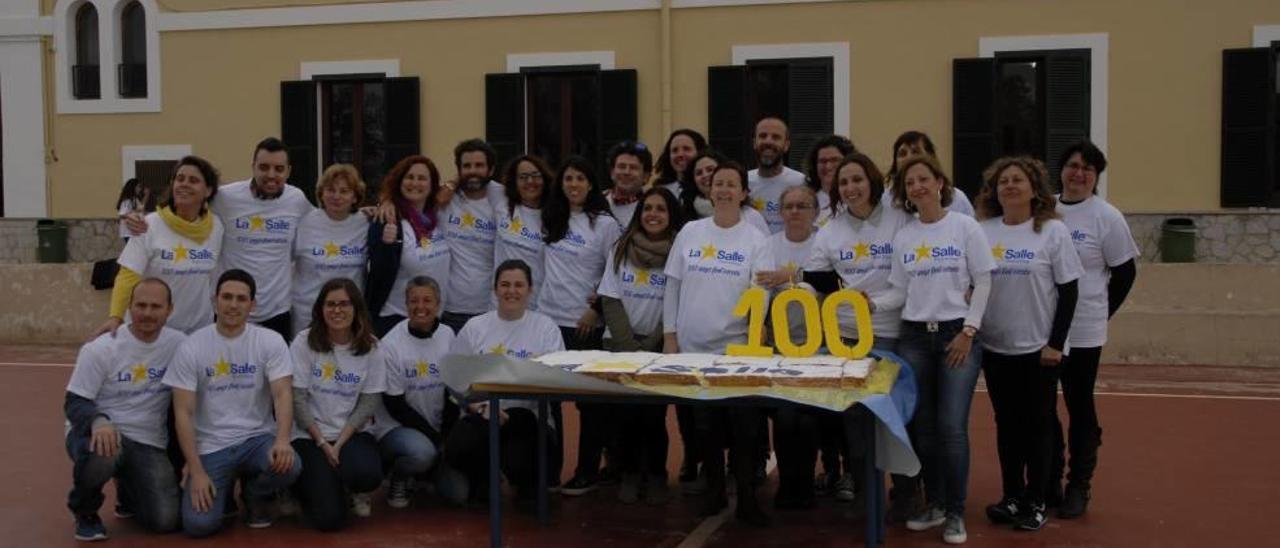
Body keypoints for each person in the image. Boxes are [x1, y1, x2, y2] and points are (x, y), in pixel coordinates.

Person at [880, 155, 996, 545]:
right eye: (909, 183)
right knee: (924, 430)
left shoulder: (964, 227)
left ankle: (957, 513)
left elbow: (983, 281)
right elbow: (898, 291)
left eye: (923, 179)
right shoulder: (905, 236)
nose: (917, 187)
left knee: (951, 428)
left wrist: (969, 330)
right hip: (913, 337)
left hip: (955, 336)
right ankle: (938, 504)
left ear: (940, 182)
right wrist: (868, 303)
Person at [975, 156, 1083, 532]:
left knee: (1037, 426)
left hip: (1039, 351)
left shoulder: (1053, 232)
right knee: (1006, 425)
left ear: (1034, 189)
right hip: (996, 348)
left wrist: (1056, 343)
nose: (1009, 186)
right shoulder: (984, 231)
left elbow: (1069, 292)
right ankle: (1011, 495)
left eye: (1018, 180)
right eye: (1003, 181)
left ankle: (1036, 500)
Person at [664, 161, 770, 526]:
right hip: (693, 349)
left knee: (744, 428)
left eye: (732, 184)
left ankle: (746, 497)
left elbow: (761, 297)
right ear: (710, 191)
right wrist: (670, 336)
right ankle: (713, 491)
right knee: (704, 427)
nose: (724, 190)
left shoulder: (757, 241)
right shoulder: (690, 232)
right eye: (718, 184)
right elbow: (672, 286)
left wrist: (754, 344)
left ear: (743, 193)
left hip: (736, 350)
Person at [802, 153, 909, 506]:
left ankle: (908, 493)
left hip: (892, 333)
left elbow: (910, 280)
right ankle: (866, 497)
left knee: (895, 419)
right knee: (854, 420)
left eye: (857, 179)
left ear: (872, 180)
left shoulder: (900, 220)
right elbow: (817, 282)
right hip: (845, 337)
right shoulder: (829, 230)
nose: (851, 188)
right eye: (844, 182)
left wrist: (874, 304)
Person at [162, 269, 301, 537]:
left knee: (291, 465)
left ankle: (254, 493)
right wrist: (196, 468)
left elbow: (282, 394)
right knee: (199, 526)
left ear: (252, 304)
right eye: (227, 297)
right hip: (211, 446)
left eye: (241, 298)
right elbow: (183, 412)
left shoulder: (269, 341)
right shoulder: (192, 346)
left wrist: (282, 440)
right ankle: (221, 489)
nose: (233, 305)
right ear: (215, 301)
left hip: (257, 439)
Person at [1049, 141, 1138, 518]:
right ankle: (1048, 477)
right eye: (1072, 165)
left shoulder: (1107, 217)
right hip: (1043, 328)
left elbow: (1125, 273)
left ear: (1096, 176)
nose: (1078, 173)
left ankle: (1079, 484)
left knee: (1079, 405)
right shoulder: (1045, 209)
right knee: (1041, 407)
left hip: (1083, 331)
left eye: (1087, 168)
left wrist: (1101, 313)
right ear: (1061, 170)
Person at [65, 279, 184, 540]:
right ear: (129, 307)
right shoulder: (101, 348)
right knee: (105, 452)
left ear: (169, 310)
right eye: (140, 305)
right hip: (101, 434)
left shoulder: (179, 344)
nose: (147, 313)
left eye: (156, 306)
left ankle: (129, 490)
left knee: (166, 520)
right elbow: (74, 402)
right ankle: (85, 510)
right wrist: (98, 421)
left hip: (148, 441)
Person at [443, 260, 565, 503]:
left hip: (527, 418)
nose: (511, 291)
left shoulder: (545, 328)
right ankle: (485, 476)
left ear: (530, 289)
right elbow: (454, 379)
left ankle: (524, 479)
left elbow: (557, 377)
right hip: (482, 414)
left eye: (519, 285)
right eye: (505, 285)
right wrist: (477, 407)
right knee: (459, 447)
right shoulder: (475, 327)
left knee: (524, 461)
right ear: (495, 289)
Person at [538, 156, 622, 497]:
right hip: (548, 321)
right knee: (549, 402)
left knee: (590, 404)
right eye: (568, 178)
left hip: (584, 325)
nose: (573, 185)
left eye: (580, 179)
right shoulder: (551, 218)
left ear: (591, 185)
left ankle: (586, 470)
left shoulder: (604, 225)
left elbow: (615, 273)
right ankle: (550, 472)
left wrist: (597, 309)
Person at [598, 187, 685, 504]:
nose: (653, 214)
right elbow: (610, 298)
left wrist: (650, 345)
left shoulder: (680, 251)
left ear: (670, 215)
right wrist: (628, 347)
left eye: (661, 209)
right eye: (647, 208)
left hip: (658, 349)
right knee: (624, 416)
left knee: (652, 416)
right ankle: (629, 473)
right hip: (620, 348)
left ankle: (657, 474)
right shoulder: (620, 248)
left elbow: (677, 303)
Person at [289, 278, 386, 529]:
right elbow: (297, 398)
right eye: (330, 304)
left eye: (344, 304)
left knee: (367, 474)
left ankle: (344, 484)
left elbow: (368, 402)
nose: (337, 310)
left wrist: (339, 443)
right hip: (310, 436)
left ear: (356, 309)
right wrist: (322, 442)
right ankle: (307, 488)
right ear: (320, 309)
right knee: (329, 521)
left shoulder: (372, 347)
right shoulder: (304, 341)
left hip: (350, 434)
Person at [96, 156, 223, 336]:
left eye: (193, 180)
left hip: (197, 333)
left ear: (208, 191)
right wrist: (115, 316)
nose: (184, 184)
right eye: (180, 179)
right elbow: (128, 275)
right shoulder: (149, 225)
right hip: (153, 333)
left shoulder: (217, 227)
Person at [371, 276, 468, 508]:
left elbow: (452, 391)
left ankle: (426, 474)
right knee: (422, 453)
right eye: (414, 301)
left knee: (459, 495)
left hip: (435, 430)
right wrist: (435, 440)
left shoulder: (447, 335)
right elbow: (396, 406)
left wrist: (446, 435)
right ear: (406, 305)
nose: (420, 307)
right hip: (398, 428)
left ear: (438, 304)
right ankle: (399, 475)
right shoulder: (391, 345)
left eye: (427, 300)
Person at [754, 185, 822, 510]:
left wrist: (790, 277)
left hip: (821, 347)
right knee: (784, 417)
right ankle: (787, 483)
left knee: (807, 418)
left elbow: (830, 284)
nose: (795, 212)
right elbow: (760, 288)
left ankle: (805, 482)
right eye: (789, 206)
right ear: (780, 212)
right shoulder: (768, 246)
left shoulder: (824, 243)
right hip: (778, 349)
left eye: (802, 206)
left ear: (815, 211)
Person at [212, 138, 314, 340]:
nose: (271, 175)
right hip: (231, 310)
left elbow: (324, 222)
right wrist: (141, 219)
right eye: (264, 167)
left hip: (277, 312)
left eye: (279, 169)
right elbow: (187, 211)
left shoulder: (297, 200)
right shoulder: (225, 198)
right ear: (253, 167)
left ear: (288, 171)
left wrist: (362, 215)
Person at [365, 155, 451, 337]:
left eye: (422, 178)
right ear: (399, 181)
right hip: (395, 321)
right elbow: (377, 272)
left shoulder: (436, 217)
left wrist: (451, 185)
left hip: (432, 320)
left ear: (432, 185)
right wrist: (387, 246)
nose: (415, 183)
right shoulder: (387, 219)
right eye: (409, 177)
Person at [291, 164, 371, 335]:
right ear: (321, 193)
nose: (336, 196)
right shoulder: (304, 222)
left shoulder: (365, 223)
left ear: (355, 197)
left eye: (344, 191)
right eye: (330, 190)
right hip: (308, 317)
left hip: (349, 318)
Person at [440, 139, 503, 334]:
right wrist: (386, 203)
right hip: (449, 309)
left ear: (490, 170)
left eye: (479, 165)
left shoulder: (505, 197)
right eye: (467, 166)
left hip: (491, 308)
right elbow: (405, 196)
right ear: (458, 170)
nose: (473, 171)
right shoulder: (444, 198)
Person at [494, 155, 552, 309]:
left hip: (538, 306)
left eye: (535, 176)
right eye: (523, 177)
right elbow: (474, 180)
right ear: (514, 181)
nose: (530, 182)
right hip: (500, 305)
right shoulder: (501, 203)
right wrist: (450, 185)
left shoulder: (555, 215)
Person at [883, 131, 976, 217]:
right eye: (902, 154)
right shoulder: (884, 201)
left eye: (916, 152)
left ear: (931, 158)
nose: (909, 158)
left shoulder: (956, 199)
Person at [681, 150, 770, 233]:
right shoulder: (689, 219)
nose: (705, 175)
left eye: (710, 169)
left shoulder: (751, 216)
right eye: (699, 173)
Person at [747, 117, 808, 234]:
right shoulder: (742, 182)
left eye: (776, 137)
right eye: (763, 136)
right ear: (754, 143)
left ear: (786, 145)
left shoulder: (801, 183)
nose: (768, 141)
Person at [802, 135, 855, 227]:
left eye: (835, 160)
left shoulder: (859, 198)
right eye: (822, 161)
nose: (828, 166)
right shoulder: (805, 201)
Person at [604, 141, 654, 225]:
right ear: (612, 172)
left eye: (633, 168)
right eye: (621, 166)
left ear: (646, 177)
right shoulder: (596, 202)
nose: (626, 172)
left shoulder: (652, 209)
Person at [654, 129, 707, 199]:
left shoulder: (712, 187)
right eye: (675, 150)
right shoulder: (661, 192)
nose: (680, 154)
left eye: (686, 149)